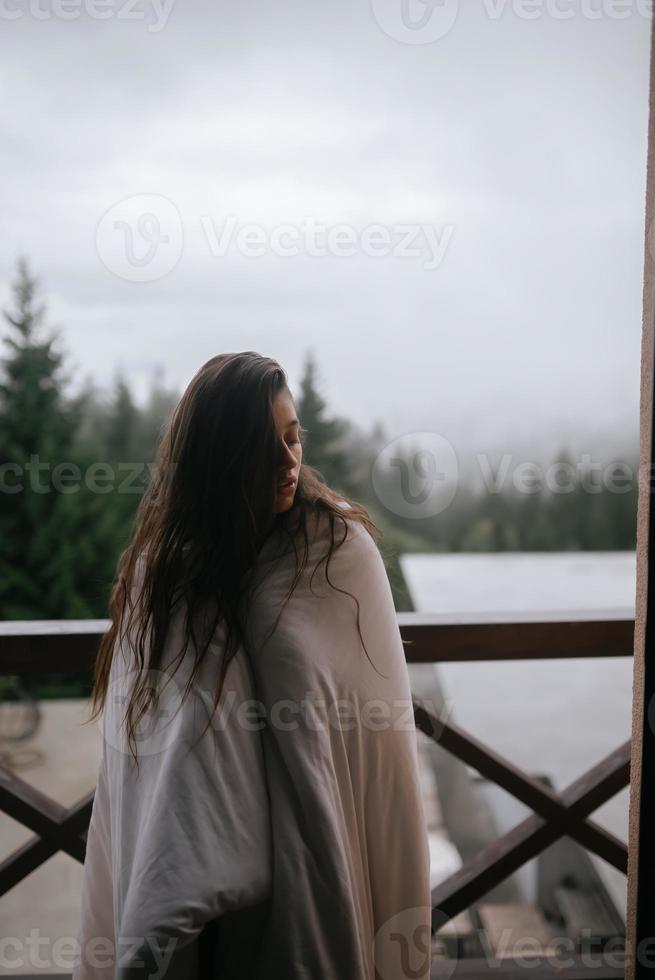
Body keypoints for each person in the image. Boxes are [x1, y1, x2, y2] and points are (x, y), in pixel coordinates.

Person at [72, 351, 432, 980]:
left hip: (313, 869)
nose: (289, 461)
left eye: (294, 439)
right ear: (220, 458)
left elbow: (377, 738)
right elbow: (149, 759)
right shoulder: (167, 575)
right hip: (203, 899)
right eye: (266, 446)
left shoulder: (337, 555)